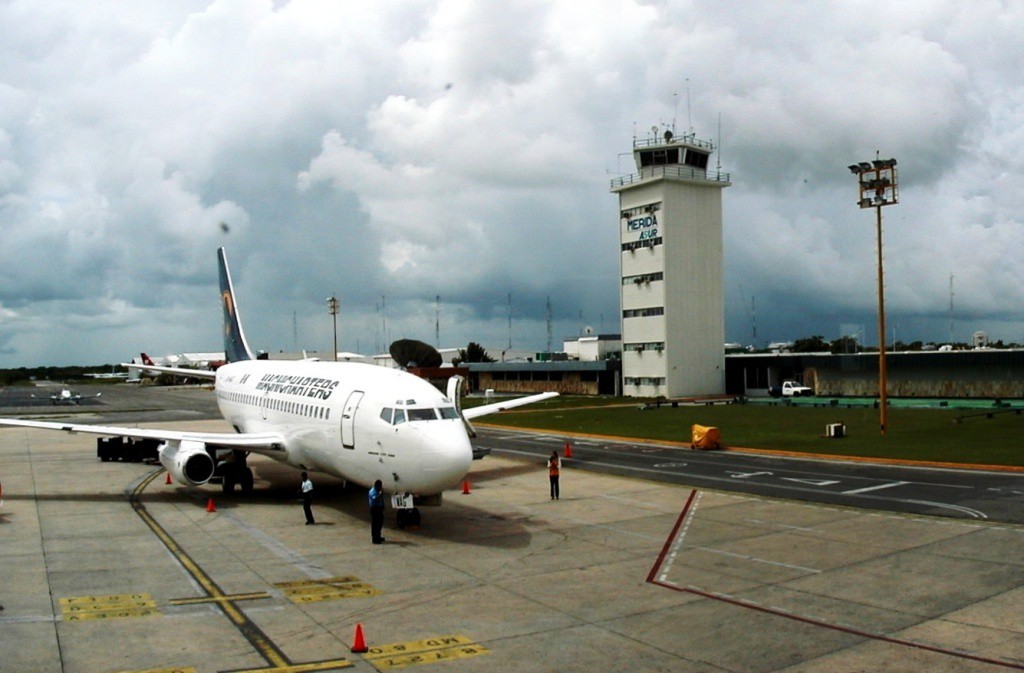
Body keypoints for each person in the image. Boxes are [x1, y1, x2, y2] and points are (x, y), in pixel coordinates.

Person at [368, 479, 385, 544]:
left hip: (379, 509)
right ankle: (375, 539)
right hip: (375, 509)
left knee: (380, 523)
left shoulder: (378, 490)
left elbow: (381, 500)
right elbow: (376, 499)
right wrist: (380, 494)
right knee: (375, 524)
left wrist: (383, 506)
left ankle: (378, 536)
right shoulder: (372, 491)